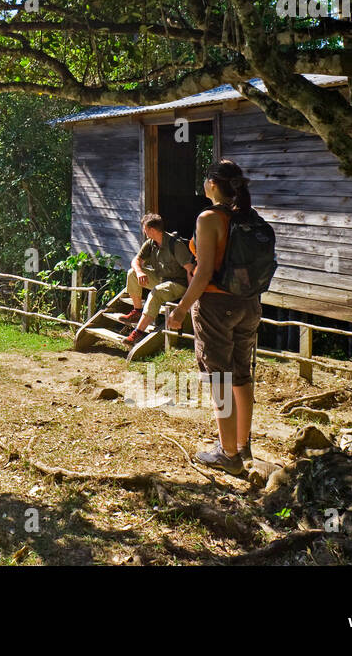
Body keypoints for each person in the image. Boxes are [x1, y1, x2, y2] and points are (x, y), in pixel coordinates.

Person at [166, 160, 261, 476]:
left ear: (212, 184)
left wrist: (180, 309)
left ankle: (228, 454)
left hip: (217, 308)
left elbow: (204, 272)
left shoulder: (209, 218)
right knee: (241, 373)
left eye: (206, 179)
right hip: (249, 304)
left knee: (219, 377)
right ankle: (243, 444)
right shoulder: (247, 217)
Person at [120, 213, 195, 347]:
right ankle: (137, 311)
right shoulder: (150, 243)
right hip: (161, 278)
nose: (144, 231)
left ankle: (137, 334)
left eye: (145, 228)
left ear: (152, 230)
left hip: (178, 284)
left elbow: (190, 270)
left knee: (156, 292)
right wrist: (139, 272)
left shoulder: (175, 245)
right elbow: (136, 260)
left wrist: (189, 297)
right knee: (132, 273)